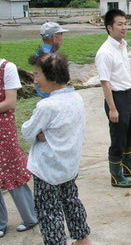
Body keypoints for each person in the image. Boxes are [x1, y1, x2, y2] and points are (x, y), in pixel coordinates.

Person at [21, 53, 91, 245]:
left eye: (37, 75)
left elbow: (27, 131)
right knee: (71, 201)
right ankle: (83, 238)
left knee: (48, 211)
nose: (35, 80)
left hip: (47, 171)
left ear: (51, 77)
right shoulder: (76, 98)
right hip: (68, 166)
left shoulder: (46, 106)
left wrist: (37, 134)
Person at [95, 9, 131, 188]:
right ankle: (116, 176)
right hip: (116, 98)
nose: (124, 27)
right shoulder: (105, 52)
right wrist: (112, 108)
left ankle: (129, 166)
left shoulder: (122, 45)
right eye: (120, 24)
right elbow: (105, 82)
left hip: (127, 95)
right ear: (109, 27)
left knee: (130, 132)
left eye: (125, 23)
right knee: (117, 137)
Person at [0, 58, 38, 238]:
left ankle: (30, 216)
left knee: (13, 169)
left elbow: (10, 102)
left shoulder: (7, 68)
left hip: (3, 129)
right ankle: (1, 222)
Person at [35, 22, 69, 98]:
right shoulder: (50, 57)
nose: (62, 39)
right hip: (52, 96)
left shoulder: (41, 52)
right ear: (54, 38)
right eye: (61, 35)